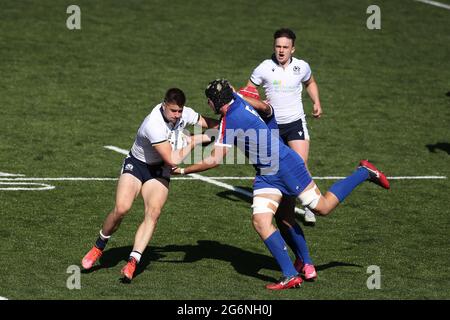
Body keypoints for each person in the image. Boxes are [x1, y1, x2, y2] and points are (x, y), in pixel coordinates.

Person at [173, 79, 389, 290]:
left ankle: (363, 172)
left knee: (323, 207)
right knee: (262, 221)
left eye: (209, 100)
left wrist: (183, 170)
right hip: (267, 174)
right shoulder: (238, 101)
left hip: (286, 167)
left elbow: (214, 160)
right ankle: (291, 274)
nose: (208, 104)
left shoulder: (231, 119)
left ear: (215, 102)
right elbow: (268, 110)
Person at [81, 88, 217, 281]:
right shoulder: (153, 124)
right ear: (164, 106)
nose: (177, 116)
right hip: (138, 165)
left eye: (180, 111)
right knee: (122, 208)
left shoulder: (184, 114)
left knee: (153, 212)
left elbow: (208, 122)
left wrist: (226, 126)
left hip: (158, 169)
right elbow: (172, 159)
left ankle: (132, 262)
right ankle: (98, 246)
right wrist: (195, 140)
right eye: (173, 111)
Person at [242, 27, 322, 279]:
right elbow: (248, 91)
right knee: (283, 180)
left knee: (299, 166)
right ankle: (293, 207)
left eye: (285, 47)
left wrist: (316, 102)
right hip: (272, 126)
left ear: (292, 49)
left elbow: (310, 82)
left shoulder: (302, 67)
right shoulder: (264, 67)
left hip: (296, 123)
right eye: (278, 46)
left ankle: (309, 205)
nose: (281, 50)